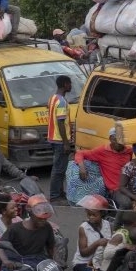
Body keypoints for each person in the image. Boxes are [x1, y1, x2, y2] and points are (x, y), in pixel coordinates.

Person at [72, 197, 112, 271]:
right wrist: (97, 243)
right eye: (89, 214)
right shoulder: (83, 228)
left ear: (102, 213)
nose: (91, 217)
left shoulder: (107, 225)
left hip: (99, 261)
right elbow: (83, 253)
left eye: (94, 215)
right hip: (83, 262)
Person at [75, 127, 132, 203]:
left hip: (128, 186)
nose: (119, 142)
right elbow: (80, 153)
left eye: (121, 139)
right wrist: (82, 167)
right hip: (115, 189)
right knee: (126, 203)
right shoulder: (102, 151)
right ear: (110, 139)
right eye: (116, 139)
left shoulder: (129, 150)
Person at [47, 75, 74, 204]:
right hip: (59, 140)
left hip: (53, 138)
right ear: (64, 84)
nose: (71, 86)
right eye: (69, 84)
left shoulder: (53, 98)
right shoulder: (62, 101)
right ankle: (54, 196)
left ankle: (59, 192)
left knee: (60, 168)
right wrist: (66, 142)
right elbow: (61, 123)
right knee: (58, 170)